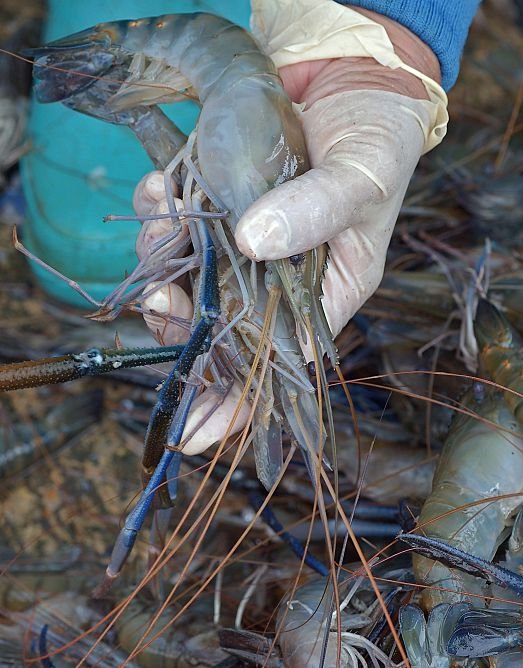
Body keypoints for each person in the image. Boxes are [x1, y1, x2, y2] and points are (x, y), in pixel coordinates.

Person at [24, 0, 480, 453]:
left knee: (148, 252)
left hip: (265, 41)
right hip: (184, 49)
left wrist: (388, 40)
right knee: (81, 246)